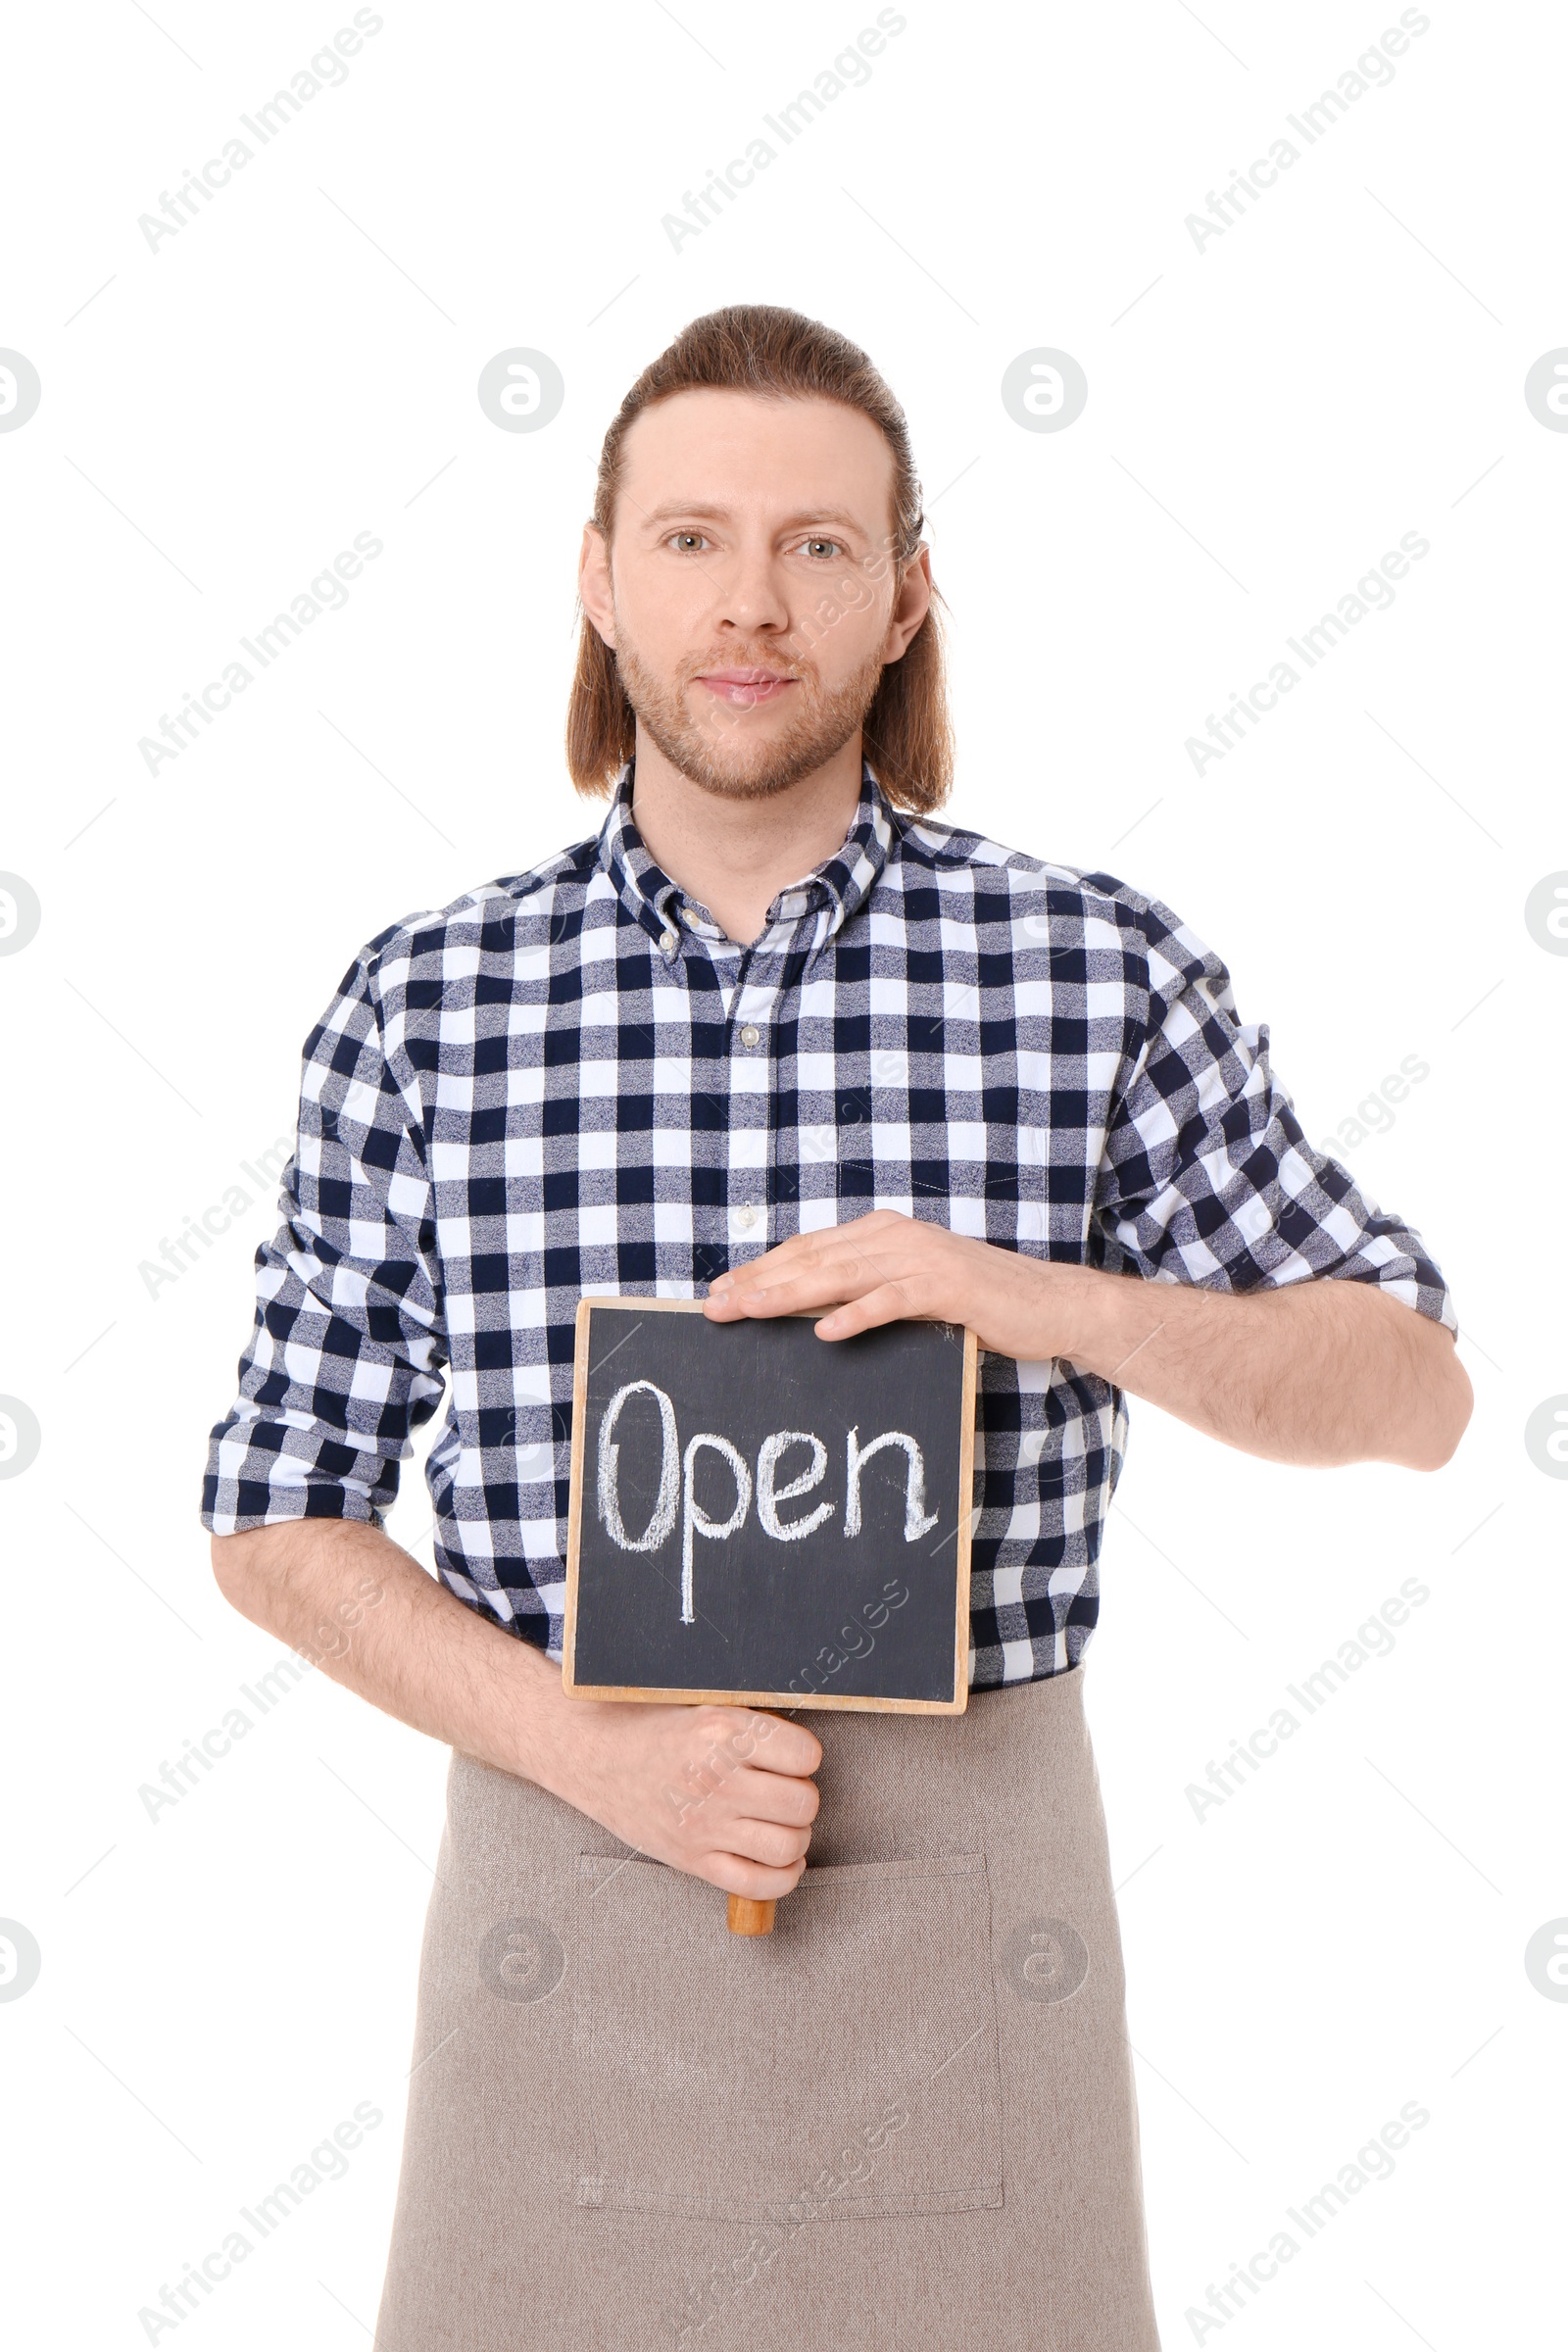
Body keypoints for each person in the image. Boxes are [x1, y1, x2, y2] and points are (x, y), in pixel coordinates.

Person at [203, 305, 1471, 2350]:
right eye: (692, 537)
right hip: (558, 1892)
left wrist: (1033, 1296)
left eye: (818, 545)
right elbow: (274, 1513)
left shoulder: (1088, 969)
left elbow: (1408, 1390)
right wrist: (597, 1759)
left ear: (900, 604)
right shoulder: (420, 1006)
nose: (751, 600)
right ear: (598, 582)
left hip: (977, 1918)